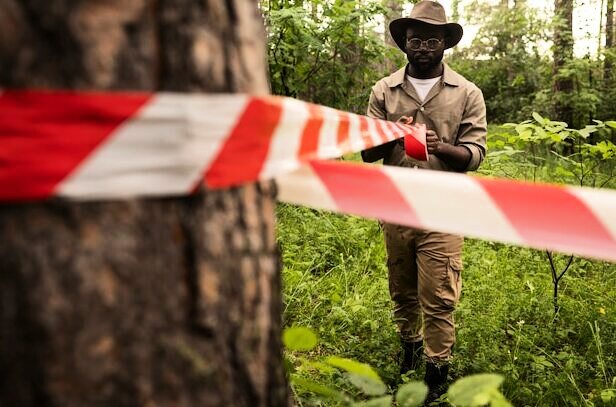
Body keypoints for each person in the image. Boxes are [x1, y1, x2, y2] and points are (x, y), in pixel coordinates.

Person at [361, 0, 487, 402]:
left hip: (444, 208)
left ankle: (436, 370)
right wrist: (390, 135)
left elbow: (475, 154)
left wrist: (441, 147)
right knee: (403, 290)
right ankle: (409, 349)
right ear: (404, 43)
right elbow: (366, 153)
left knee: (439, 295)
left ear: (445, 44)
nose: (423, 47)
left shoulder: (467, 92)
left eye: (432, 39)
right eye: (416, 39)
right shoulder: (384, 90)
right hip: (395, 206)